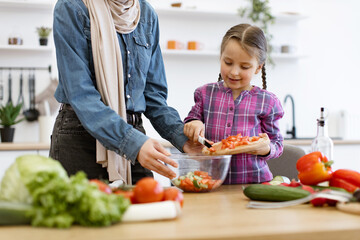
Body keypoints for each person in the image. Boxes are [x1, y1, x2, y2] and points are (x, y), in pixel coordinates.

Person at [50, 0, 200, 185]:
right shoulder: (72, 7)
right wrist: (133, 143)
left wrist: (184, 138)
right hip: (79, 139)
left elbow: (153, 97)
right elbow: (80, 94)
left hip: (135, 135)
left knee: (145, 211)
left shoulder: (145, 14)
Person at [183, 24, 284, 184]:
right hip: (212, 181)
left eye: (244, 66)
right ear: (220, 57)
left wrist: (266, 149)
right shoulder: (205, 93)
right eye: (228, 62)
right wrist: (193, 124)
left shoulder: (268, 102)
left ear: (258, 67)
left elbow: (277, 143)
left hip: (255, 183)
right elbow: (191, 119)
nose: (234, 72)